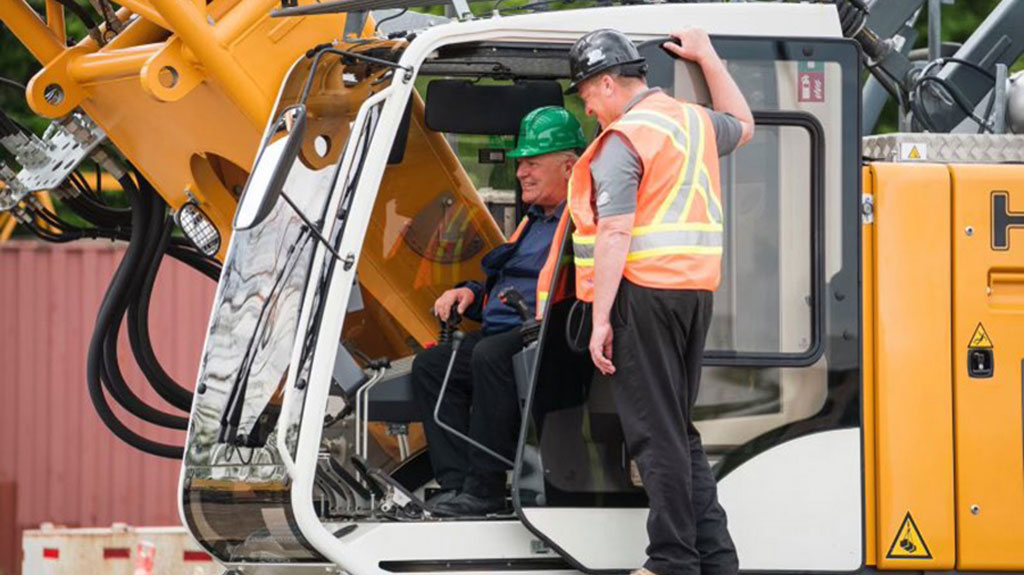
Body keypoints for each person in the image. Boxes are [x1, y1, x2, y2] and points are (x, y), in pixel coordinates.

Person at [553, 27, 755, 575]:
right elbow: (745, 124)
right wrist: (709, 59)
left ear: (609, 83)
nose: (588, 107)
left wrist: (599, 321)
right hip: (693, 295)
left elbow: (616, 231)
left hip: (643, 295)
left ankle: (670, 560)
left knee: (652, 432)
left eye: (587, 94)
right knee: (674, 429)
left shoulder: (625, 139)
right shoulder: (691, 122)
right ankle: (714, 557)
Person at [411, 106, 586, 518]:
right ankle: (457, 484)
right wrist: (472, 293)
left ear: (570, 166)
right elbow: (510, 282)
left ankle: (486, 488)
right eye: (520, 163)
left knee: (492, 357)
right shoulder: (534, 221)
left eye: (532, 163)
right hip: (511, 334)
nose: (522, 172)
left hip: (553, 340)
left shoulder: (582, 221)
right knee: (434, 365)